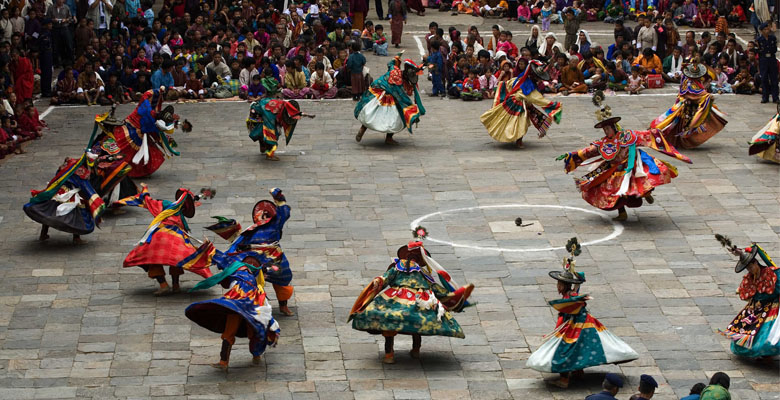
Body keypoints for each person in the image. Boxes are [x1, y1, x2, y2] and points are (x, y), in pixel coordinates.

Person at [349, 228, 475, 364]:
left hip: (415, 299)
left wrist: (451, 296)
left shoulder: (421, 272)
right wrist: (378, 280)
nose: (413, 258)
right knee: (398, 322)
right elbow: (387, 277)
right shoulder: (399, 266)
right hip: (404, 299)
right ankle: (395, 353)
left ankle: (408, 351)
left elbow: (433, 287)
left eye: (416, 256)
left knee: (407, 322)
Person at [527, 238, 639, 388]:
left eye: (559, 284)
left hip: (577, 326)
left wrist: (574, 277)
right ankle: (578, 372)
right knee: (579, 348)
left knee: (565, 350)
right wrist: (571, 269)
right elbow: (580, 278)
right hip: (578, 325)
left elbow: (579, 290)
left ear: (564, 285)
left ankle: (564, 379)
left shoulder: (572, 297)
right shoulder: (570, 295)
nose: (557, 287)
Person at [557, 111, 692, 221]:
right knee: (614, 192)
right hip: (613, 168)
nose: (606, 131)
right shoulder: (603, 142)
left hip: (630, 164)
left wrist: (655, 132)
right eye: (604, 129)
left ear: (614, 127)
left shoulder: (627, 136)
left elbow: (643, 139)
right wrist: (572, 155)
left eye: (608, 128)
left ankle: (647, 194)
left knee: (640, 182)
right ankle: (622, 213)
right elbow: (588, 151)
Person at [185, 251, 281, 371]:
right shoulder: (251, 276)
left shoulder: (236, 269)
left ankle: (224, 362)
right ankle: (254, 356)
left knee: (232, 332)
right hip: (247, 305)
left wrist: (208, 249)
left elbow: (220, 261)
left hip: (236, 303)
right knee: (254, 327)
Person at [118, 186, 214, 295]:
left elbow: (148, 201)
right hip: (176, 238)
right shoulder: (181, 217)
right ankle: (175, 285)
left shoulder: (165, 205)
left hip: (160, 237)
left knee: (151, 257)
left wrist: (144, 190)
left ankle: (163, 285)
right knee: (177, 259)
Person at [714, 235, 780, 359]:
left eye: (751, 266)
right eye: (748, 268)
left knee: (768, 334)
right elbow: (747, 293)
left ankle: (766, 352)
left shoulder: (772, 274)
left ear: (755, 262)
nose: (750, 270)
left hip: (772, 307)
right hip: (756, 308)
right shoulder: (749, 279)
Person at [102, 88, 190, 177]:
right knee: (126, 149)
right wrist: (158, 116)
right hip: (134, 125)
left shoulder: (158, 98)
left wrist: (168, 120)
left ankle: (137, 171)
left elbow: (155, 115)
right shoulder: (148, 97)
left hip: (143, 127)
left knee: (145, 149)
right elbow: (146, 112)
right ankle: (121, 168)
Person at [23, 152, 106, 244]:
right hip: (71, 195)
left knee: (49, 212)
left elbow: (57, 175)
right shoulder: (81, 171)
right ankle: (76, 238)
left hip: (57, 192)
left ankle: (43, 233)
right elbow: (85, 187)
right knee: (79, 214)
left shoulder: (68, 165)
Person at [480, 59, 562, 148]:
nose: (539, 79)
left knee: (516, 122)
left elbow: (509, 84)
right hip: (517, 104)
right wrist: (554, 106)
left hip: (517, 103)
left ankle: (516, 138)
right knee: (520, 123)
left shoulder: (521, 78)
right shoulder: (529, 84)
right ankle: (518, 140)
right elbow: (537, 99)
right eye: (538, 77)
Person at [650, 63, 727, 149]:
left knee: (679, 125)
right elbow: (698, 94)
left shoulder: (687, 80)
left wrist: (707, 84)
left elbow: (699, 91)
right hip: (689, 108)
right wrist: (708, 96)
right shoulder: (691, 84)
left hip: (687, 106)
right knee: (686, 125)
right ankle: (682, 142)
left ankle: (677, 141)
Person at [355, 56, 426, 145]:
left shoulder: (395, 70)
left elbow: (390, 64)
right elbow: (404, 100)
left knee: (371, 113)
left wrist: (396, 59)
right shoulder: (399, 85)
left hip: (377, 93)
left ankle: (363, 129)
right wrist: (413, 113)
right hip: (384, 97)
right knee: (395, 118)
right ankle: (388, 138)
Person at [757, 22, 778, 104]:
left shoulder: (772, 38)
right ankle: (765, 97)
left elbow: (775, 49)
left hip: (772, 59)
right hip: (764, 59)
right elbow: (758, 50)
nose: (767, 31)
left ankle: (775, 97)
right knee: (764, 78)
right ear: (761, 31)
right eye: (765, 29)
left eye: (767, 29)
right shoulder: (759, 40)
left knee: (774, 79)